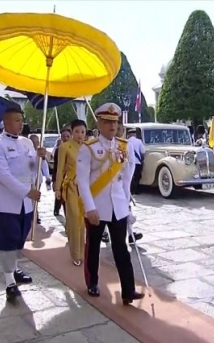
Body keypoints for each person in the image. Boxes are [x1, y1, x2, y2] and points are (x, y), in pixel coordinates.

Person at [77, 102, 144, 305]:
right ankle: (92, 282)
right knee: (94, 247)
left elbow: (125, 179)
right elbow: (82, 180)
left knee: (121, 249)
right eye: (107, 122)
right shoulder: (89, 148)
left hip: (118, 207)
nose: (112, 126)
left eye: (115, 122)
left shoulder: (124, 146)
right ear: (99, 122)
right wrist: (89, 207)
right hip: (97, 206)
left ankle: (128, 290)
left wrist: (127, 207)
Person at [0, 107, 45, 302]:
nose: (20, 123)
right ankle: (9, 281)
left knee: (20, 238)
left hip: (26, 204)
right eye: (16, 120)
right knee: (7, 240)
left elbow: (32, 169)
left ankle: (15, 268)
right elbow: (3, 175)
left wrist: (40, 158)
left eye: (21, 120)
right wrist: (26, 191)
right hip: (5, 202)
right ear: (6, 122)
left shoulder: (27, 143)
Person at [55, 119, 87, 266]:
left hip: (86, 188)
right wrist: (58, 189)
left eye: (82, 132)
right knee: (74, 219)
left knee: (83, 221)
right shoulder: (65, 147)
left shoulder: (88, 147)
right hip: (71, 187)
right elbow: (60, 169)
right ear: (72, 132)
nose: (80, 135)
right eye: (77, 132)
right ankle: (75, 254)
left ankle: (83, 251)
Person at [29, 134, 52, 225]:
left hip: (37, 179)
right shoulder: (28, 151)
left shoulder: (40, 152)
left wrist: (47, 177)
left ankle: (35, 214)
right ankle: (32, 214)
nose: (35, 144)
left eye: (37, 142)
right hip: (27, 179)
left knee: (35, 198)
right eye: (33, 142)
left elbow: (44, 166)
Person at [127, 128, 145, 194]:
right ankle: (136, 190)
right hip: (137, 162)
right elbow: (143, 152)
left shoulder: (126, 141)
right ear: (135, 134)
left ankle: (130, 190)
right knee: (137, 177)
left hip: (129, 162)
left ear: (129, 134)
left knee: (130, 177)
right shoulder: (139, 141)